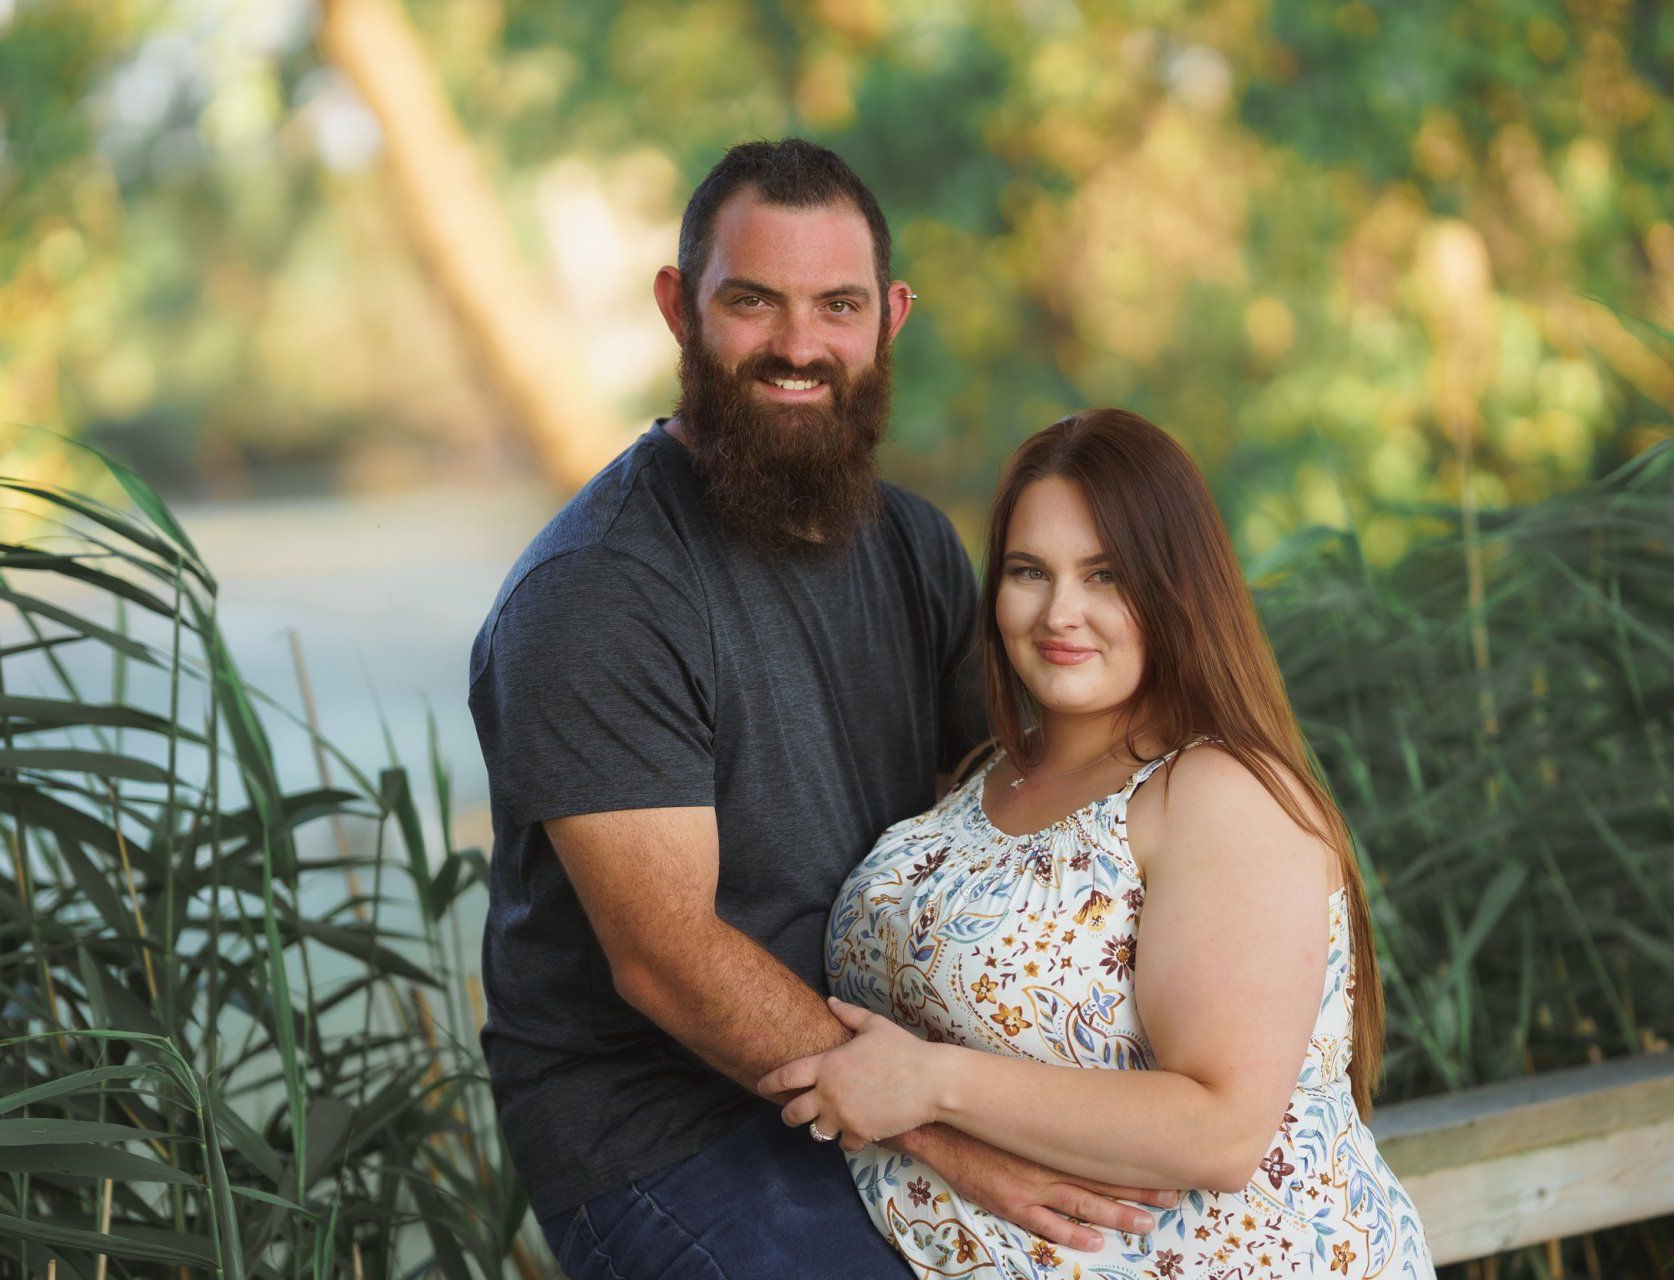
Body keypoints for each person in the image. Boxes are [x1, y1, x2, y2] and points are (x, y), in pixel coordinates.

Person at [467, 141, 1180, 1280]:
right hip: (673, 1127)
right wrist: (959, 1143)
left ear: (890, 318)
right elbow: (669, 960)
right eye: (754, 302)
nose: (800, 346)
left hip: (899, 1067)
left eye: (837, 306)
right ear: (678, 309)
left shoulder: (915, 547)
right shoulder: (597, 591)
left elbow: (1018, 807)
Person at [762, 409, 1436, 1279]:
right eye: (1029, 571)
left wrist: (931, 1084)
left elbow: (1223, 1128)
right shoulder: (989, 774)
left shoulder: (1216, 794)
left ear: (1174, 588)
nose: (1059, 613)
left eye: (1105, 575)